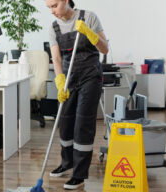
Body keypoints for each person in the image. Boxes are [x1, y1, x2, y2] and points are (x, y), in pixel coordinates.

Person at [46, 0, 108, 190]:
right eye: (49, 7)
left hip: (90, 77)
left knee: (83, 123)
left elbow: (104, 49)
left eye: (55, 5)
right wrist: (59, 82)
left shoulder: (88, 17)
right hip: (69, 78)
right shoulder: (54, 27)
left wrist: (90, 33)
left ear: (65, 0)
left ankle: (79, 174)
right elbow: (56, 58)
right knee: (65, 121)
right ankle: (67, 163)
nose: (52, 11)